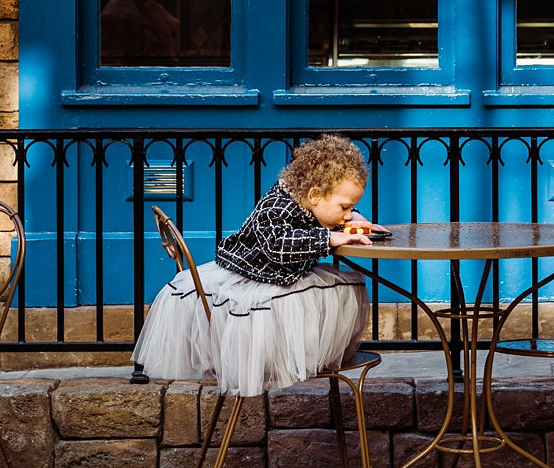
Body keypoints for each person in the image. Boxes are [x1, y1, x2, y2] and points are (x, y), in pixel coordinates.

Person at [132, 135, 379, 396]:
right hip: (252, 281)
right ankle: (279, 357)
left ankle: (303, 354)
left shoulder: (306, 200)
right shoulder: (276, 207)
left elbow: (325, 212)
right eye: (346, 206)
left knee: (342, 284)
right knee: (339, 286)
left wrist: (353, 221)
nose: (349, 213)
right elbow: (277, 245)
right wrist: (328, 237)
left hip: (271, 275)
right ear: (315, 194)